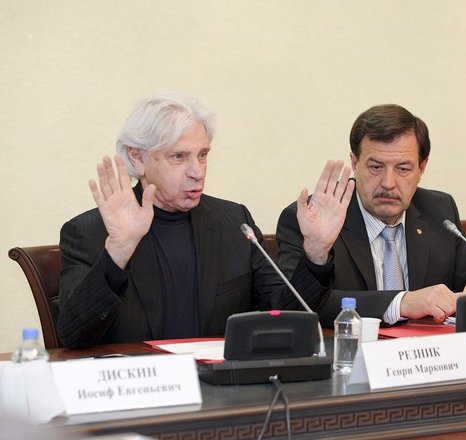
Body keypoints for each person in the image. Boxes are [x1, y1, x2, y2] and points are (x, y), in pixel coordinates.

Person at [57, 93, 354, 348]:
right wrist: (118, 251)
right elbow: (73, 336)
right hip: (140, 389)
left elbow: (285, 315)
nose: (197, 171)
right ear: (137, 158)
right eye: (178, 157)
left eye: (202, 155)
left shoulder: (233, 222)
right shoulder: (89, 233)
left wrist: (316, 252)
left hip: (221, 387)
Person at [276, 104, 466, 327]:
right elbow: (294, 308)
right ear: (355, 163)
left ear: (421, 168)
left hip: (426, 352)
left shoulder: (439, 211)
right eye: (376, 167)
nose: (388, 183)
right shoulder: (312, 218)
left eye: (403, 169)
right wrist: (401, 303)